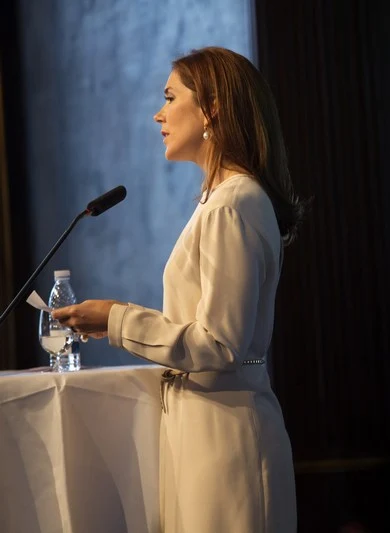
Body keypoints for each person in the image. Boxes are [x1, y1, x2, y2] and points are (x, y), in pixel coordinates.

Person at [53, 46, 304, 532]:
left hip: (228, 438)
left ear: (211, 109)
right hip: (201, 428)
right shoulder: (220, 199)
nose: (158, 113)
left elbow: (219, 343)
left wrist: (117, 320)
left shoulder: (234, 202)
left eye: (170, 97)